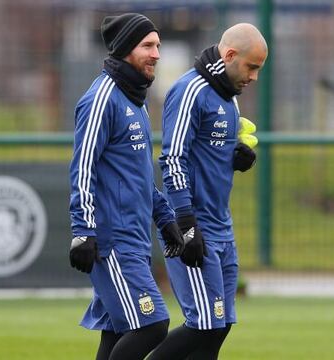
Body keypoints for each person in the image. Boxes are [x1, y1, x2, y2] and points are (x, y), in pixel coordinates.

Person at [68, 13, 186, 360]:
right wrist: (83, 230)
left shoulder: (135, 100)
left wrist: (165, 219)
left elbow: (138, 176)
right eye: (147, 45)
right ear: (124, 50)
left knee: (115, 333)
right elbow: (82, 167)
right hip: (112, 240)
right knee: (151, 325)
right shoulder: (101, 98)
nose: (156, 54)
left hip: (135, 238)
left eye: (158, 46)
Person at [148, 23, 268, 359]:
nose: (254, 77)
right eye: (252, 67)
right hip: (193, 225)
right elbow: (173, 159)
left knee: (221, 324)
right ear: (230, 55)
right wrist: (185, 223)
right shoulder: (191, 90)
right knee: (205, 323)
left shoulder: (228, 98)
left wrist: (236, 158)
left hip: (221, 227)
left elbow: (207, 154)